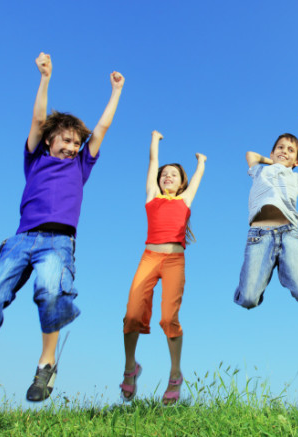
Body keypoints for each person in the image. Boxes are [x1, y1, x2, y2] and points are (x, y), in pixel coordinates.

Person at [0, 52, 124, 419]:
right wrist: (45, 78)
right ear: (49, 141)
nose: (72, 147)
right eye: (66, 140)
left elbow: (103, 128)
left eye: (77, 142)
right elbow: (37, 118)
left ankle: (46, 365)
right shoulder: (35, 159)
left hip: (58, 243)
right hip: (20, 240)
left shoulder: (81, 165)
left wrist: (115, 92)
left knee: (50, 290)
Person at [121, 131, 206, 405]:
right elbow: (152, 162)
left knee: (169, 318)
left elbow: (197, 178)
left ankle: (174, 374)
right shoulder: (151, 197)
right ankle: (130, 367)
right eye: (163, 174)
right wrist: (154, 142)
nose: (167, 176)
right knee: (133, 313)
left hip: (174, 261)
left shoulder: (184, 200)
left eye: (173, 174)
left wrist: (201, 162)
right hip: (149, 257)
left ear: (182, 183)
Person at [233, 133, 298, 309]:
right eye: (280, 148)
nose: (284, 151)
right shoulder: (259, 171)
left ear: (296, 162)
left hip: (288, 233)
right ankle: (255, 285)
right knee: (248, 299)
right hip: (258, 236)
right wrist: (274, 161)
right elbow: (250, 154)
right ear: (272, 153)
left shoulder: (297, 177)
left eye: (291, 150)